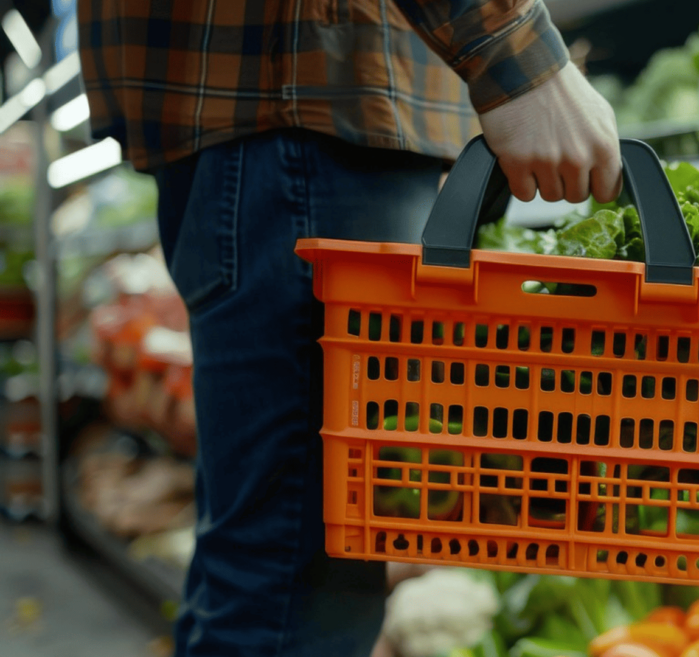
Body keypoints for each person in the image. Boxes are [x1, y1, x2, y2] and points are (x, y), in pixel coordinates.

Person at [77, 2, 621, 656]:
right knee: (299, 586)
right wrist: (519, 57)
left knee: (271, 563)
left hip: (280, 119)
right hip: (308, 106)